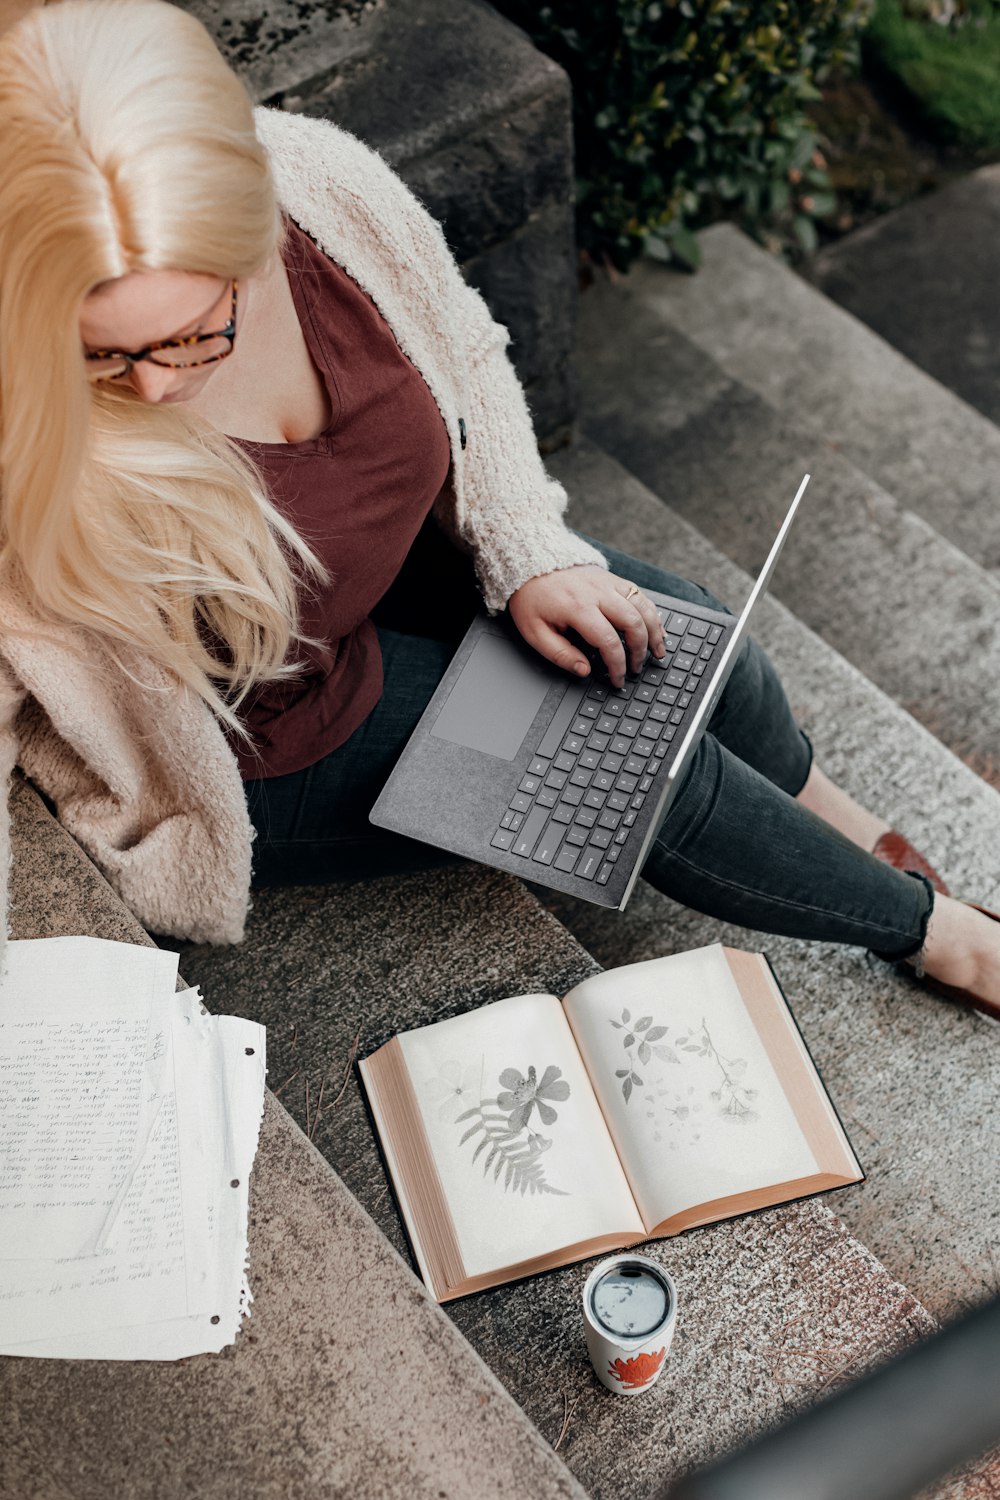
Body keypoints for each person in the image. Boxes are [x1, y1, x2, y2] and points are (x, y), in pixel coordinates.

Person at [0, 0, 997, 1018]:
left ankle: (849, 832)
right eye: (102, 356)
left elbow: (463, 349)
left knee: (696, 640)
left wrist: (528, 548)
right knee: (642, 779)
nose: (161, 386)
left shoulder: (315, 179)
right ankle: (945, 939)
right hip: (264, 728)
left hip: (379, 569)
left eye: (199, 332)